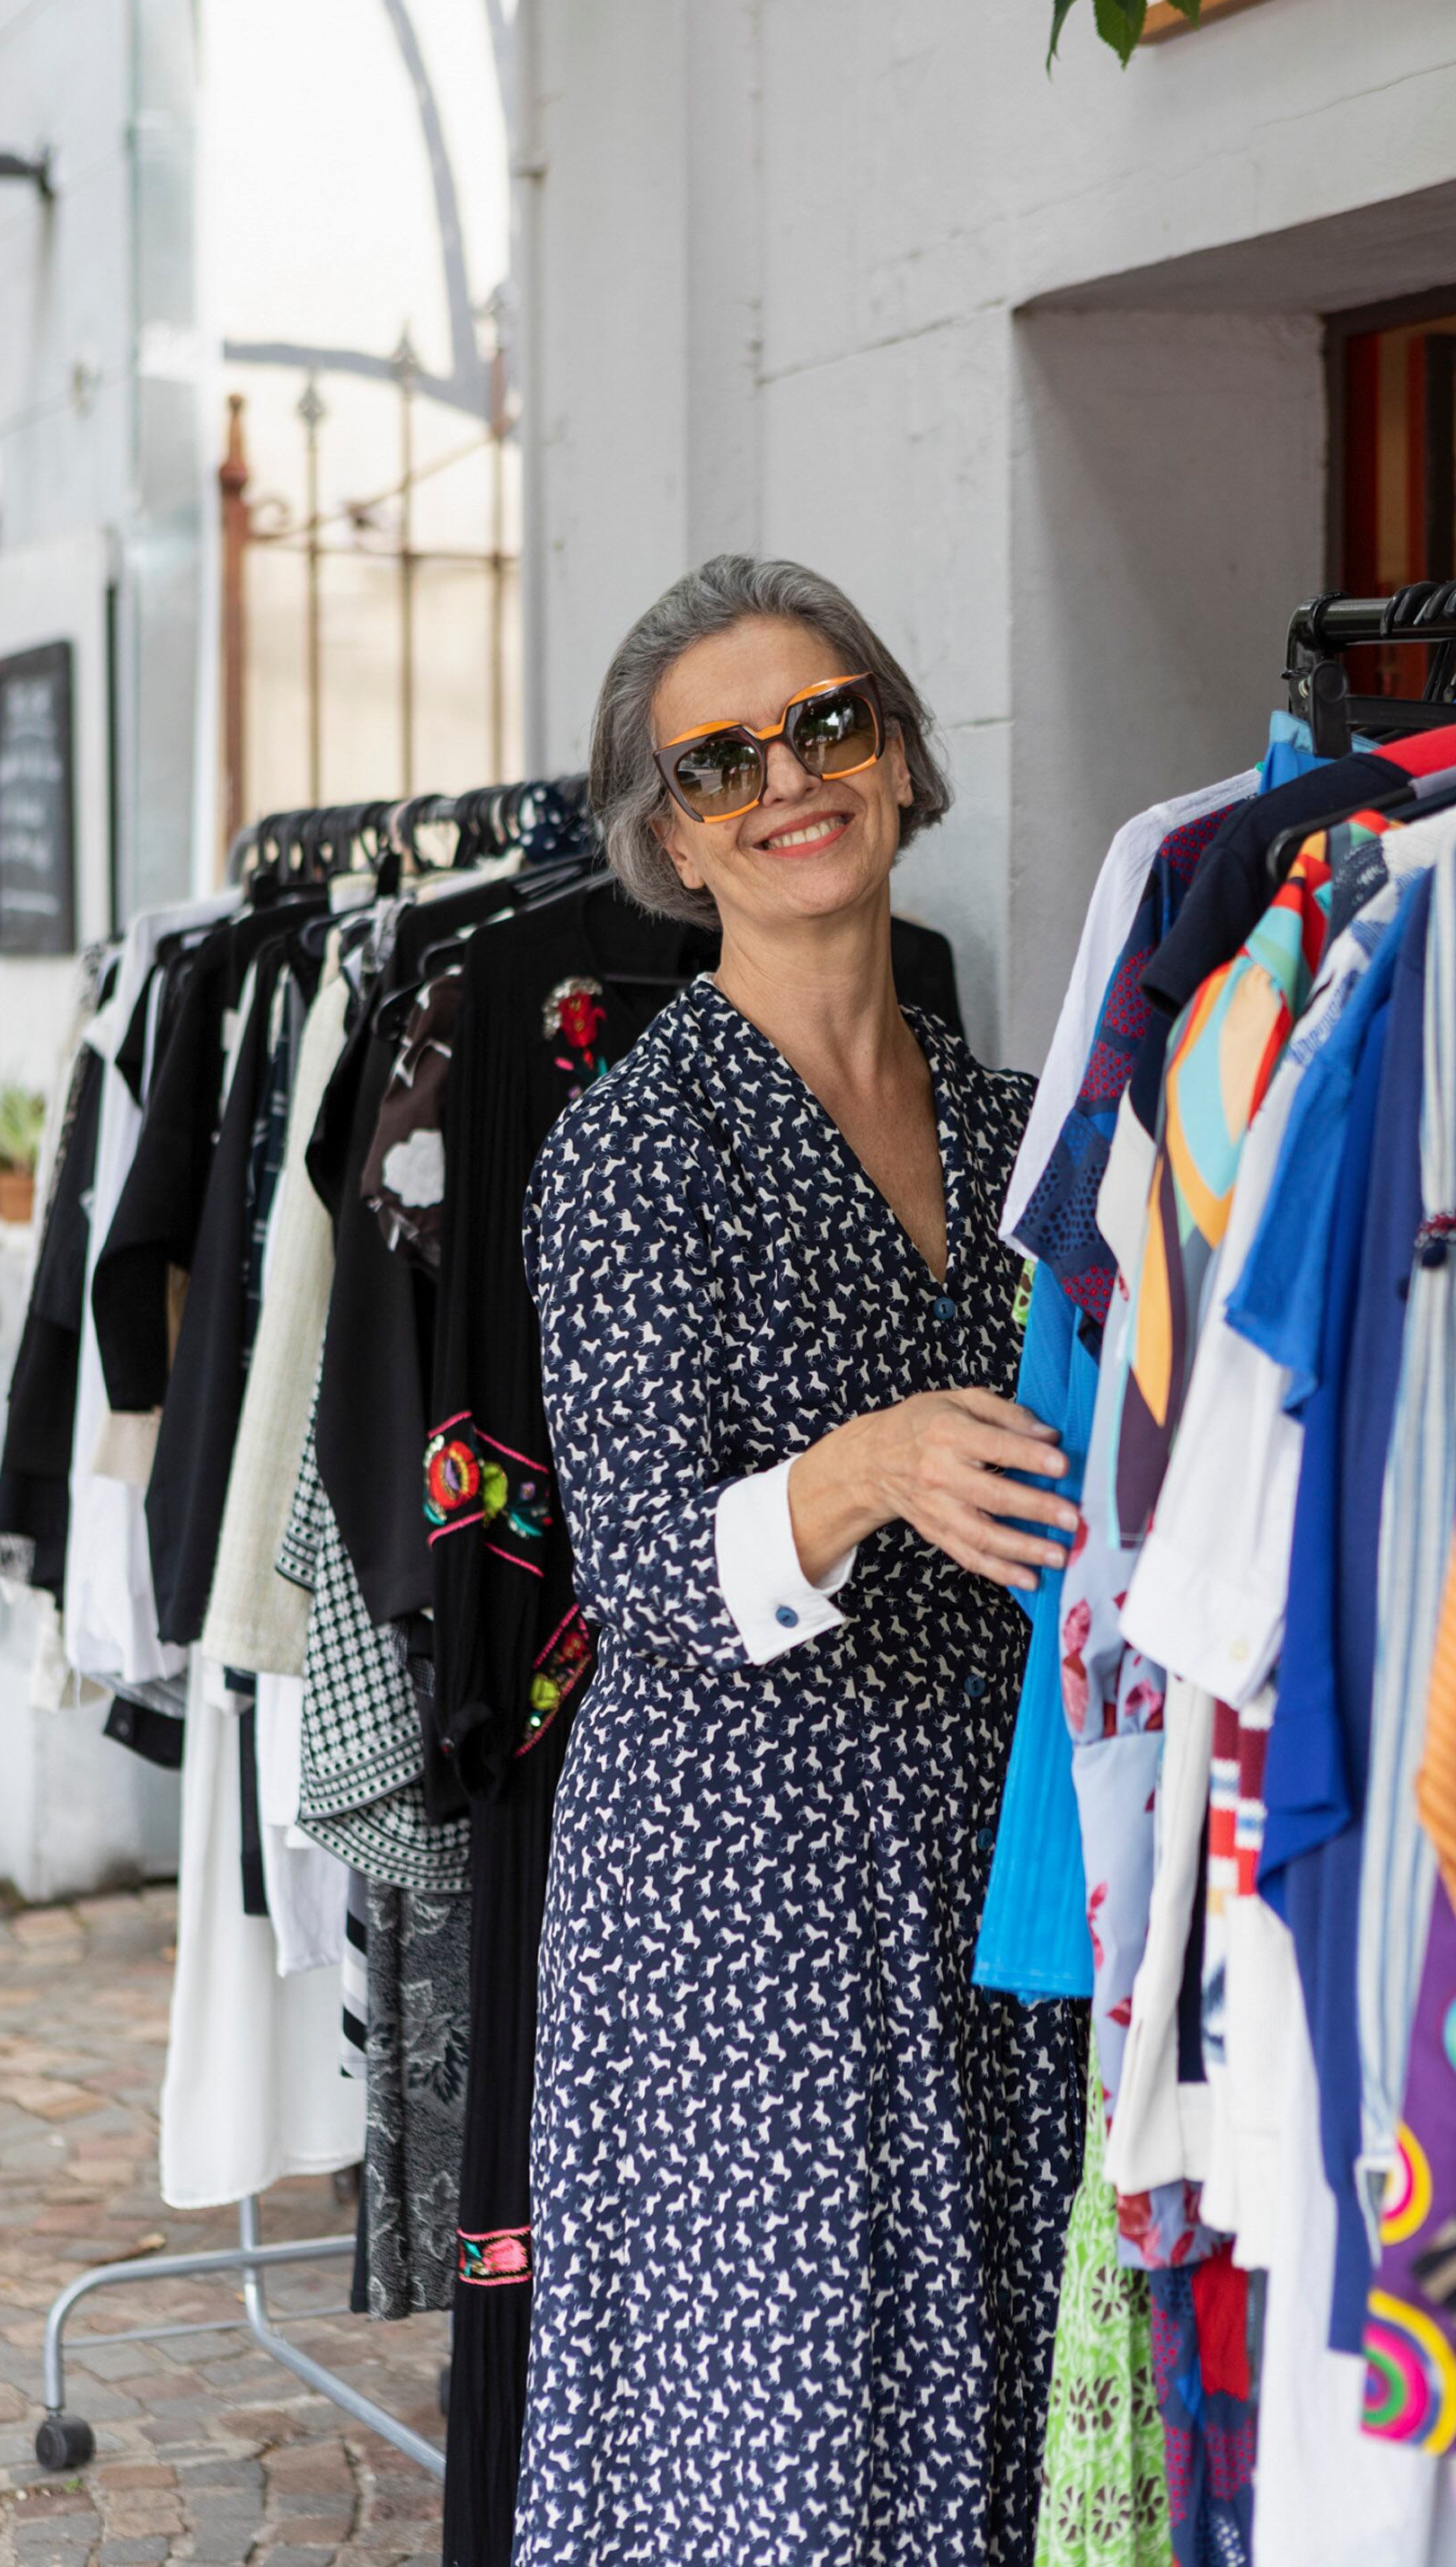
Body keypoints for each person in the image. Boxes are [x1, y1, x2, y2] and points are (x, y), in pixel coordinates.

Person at [517, 553, 1084, 2567]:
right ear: (671, 833)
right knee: (785, 2425)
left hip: (994, 1853)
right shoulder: (633, 1142)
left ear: (904, 753)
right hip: (742, 1895)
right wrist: (864, 1464)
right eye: (724, 757)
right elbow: (649, 1560)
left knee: (1003, 2382)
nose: (791, 776)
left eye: (828, 721)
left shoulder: (1031, 1130)